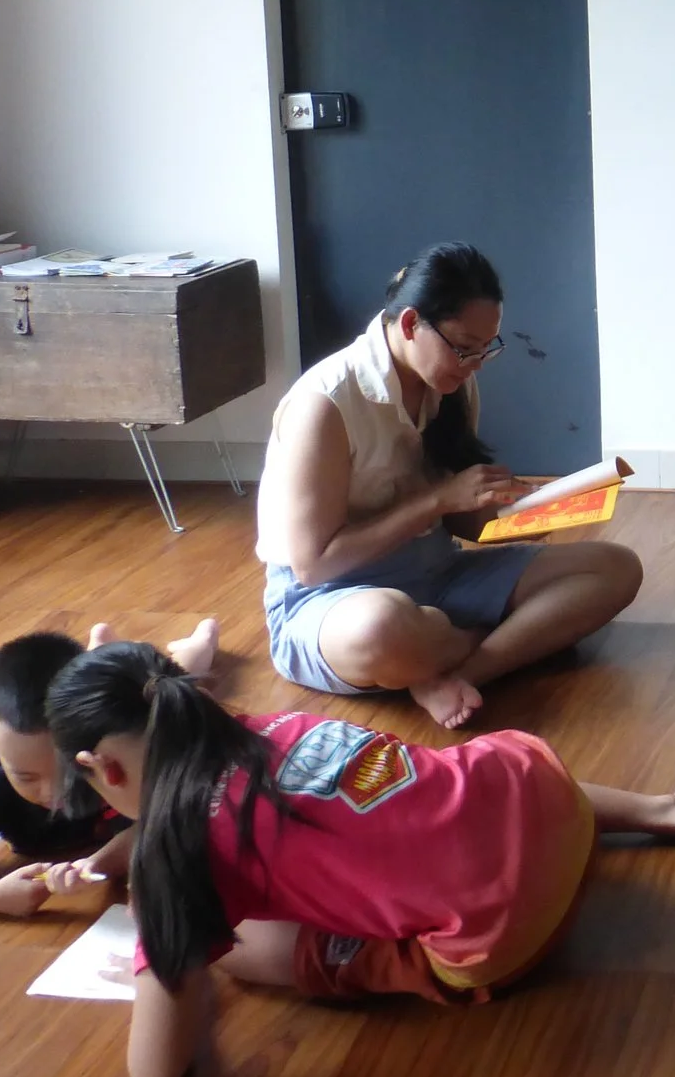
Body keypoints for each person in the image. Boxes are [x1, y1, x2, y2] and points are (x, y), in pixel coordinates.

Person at [46, 640, 675, 1077]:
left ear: (99, 768)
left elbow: (155, 1076)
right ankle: (671, 810)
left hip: (507, 930)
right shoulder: (271, 724)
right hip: (554, 801)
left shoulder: (181, 858)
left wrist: (164, 963)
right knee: (458, 791)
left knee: (242, 948)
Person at [256, 243, 641, 729]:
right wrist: (438, 499)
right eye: (464, 347)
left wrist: (515, 517)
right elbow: (315, 564)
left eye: (487, 349)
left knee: (615, 568)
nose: (474, 363)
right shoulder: (327, 403)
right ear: (412, 323)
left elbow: (462, 524)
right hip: (333, 601)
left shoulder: (450, 381)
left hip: (436, 575)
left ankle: (459, 672)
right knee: (383, 628)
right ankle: (491, 637)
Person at [0, 620, 217, 916]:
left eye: (68, 771)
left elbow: (152, 823)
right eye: (26, 776)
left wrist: (95, 864)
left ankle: (197, 646)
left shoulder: (104, 764)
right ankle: (100, 650)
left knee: (172, 685)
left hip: (125, 705)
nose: (52, 792)